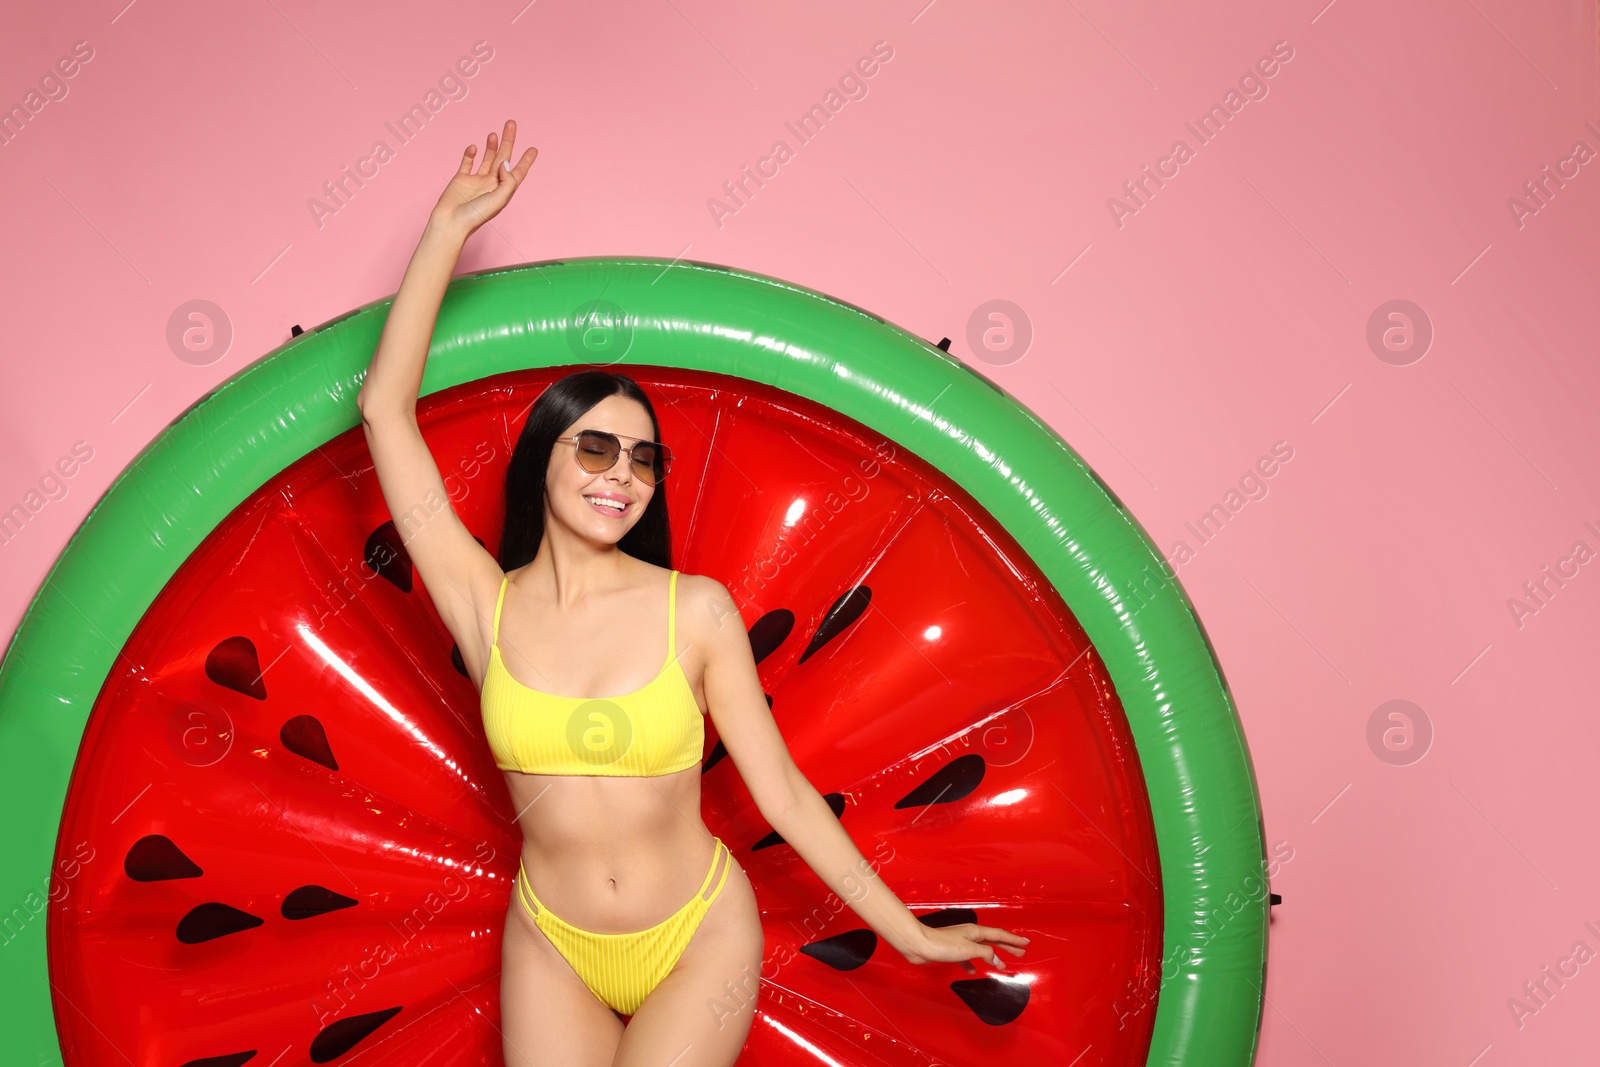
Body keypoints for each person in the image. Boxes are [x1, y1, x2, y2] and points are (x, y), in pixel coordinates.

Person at [356, 119, 1029, 1066]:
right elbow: (385, 409)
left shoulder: (696, 610)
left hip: (697, 935)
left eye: (642, 457)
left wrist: (907, 929)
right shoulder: (485, 602)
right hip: (551, 939)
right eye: (593, 445)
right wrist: (445, 232)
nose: (619, 474)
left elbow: (787, 796)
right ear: (541, 459)